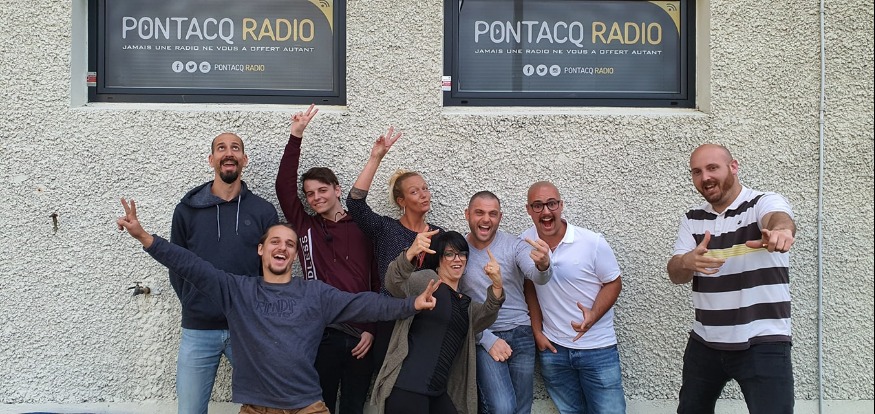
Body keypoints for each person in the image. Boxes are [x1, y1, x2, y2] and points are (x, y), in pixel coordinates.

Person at [117, 199, 441, 414]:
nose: (282, 248)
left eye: (289, 244)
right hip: (256, 409)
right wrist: (144, 237)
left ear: (295, 255)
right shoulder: (237, 290)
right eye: (275, 241)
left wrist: (412, 304)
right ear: (261, 250)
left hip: (308, 407)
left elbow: (366, 304)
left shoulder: (314, 294)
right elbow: (191, 265)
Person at [667, 144, 796, 414]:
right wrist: (687, 261)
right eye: (697, 172)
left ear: (733, 167)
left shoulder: (761, 203)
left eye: (712, 168)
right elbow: (676, 274)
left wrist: (780, 231)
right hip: (705, 342)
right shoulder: (693, 218)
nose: (705, 177)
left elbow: (778, 218)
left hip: (762, 341)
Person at [275, 104, 379, 414]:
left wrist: (372, 329)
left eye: (322, 190)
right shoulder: (305, 226)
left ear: (337, 190)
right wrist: (296, 136)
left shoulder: (363, 226)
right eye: (310, 194)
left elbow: (377, 280)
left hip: (361, 334)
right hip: (321, 334)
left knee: (353, 407)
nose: (316, 197)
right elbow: (283, 188)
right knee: (319, 407)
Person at [169, 132, 278, 414]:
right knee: (190, 410)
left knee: (268, 406)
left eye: (235, 148)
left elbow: (272, 270)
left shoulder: (263, 211)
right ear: (211, 159)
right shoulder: (186, 211)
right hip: (198, 329)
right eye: (221, 148)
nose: (228, 153)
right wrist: (194, 301)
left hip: (247, 328)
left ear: (244, 159)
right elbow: (177, 265)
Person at [371, 230, 505, 414]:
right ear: (438, 259)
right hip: (408, 388)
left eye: (462, 254)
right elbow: (394, 283)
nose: (457, 259)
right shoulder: (428, 281)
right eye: (449, 254)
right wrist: (410, 253)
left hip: (438, 392)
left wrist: (497, 285)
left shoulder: (467, 304)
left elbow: (486, 316)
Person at [522, 181, 626, 414]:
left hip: (597, 348)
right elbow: (529, 287)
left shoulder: (591, 242)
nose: (546, 211)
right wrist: (537, 332)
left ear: (561, 205)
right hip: (554, 349)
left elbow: (613, 282)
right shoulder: (524, 242)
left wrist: (593, 315)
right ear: (528, 210)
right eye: (538, 205)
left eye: (551, 204)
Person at [346, 126, 444, 370]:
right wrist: (375, 158)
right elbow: (355, 204)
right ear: (402, 201)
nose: (424, 195)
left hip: (427, 322)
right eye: (414, 191)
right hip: (390, 318)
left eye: (425, 188)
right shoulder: (385, 229)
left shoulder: (439, 235)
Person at [458, 191, 552, 414]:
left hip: (521, 333)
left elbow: (538, 276)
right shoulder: (458, 251)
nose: (486, 219)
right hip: (483, 334)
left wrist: (543, 265)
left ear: (500, 217)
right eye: (479, 212)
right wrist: (486, 339)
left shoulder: (515, 245)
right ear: (467, 214)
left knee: (521, 408)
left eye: (492, 214)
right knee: (502, 408)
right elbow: (456, 304)